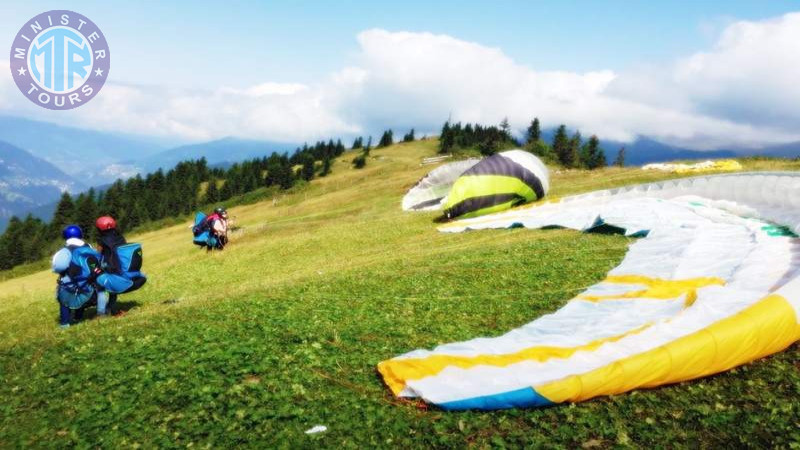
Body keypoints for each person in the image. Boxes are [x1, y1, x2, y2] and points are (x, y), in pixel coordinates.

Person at [52, 225, 109, 328]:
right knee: (91, 287)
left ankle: (65, 324)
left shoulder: (65, 251)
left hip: (73, 290)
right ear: (80, 234)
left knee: (63, 290)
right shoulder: (89, 247)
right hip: (91, 290)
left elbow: (59, 268)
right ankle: (90, 314)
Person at [95, 215, 127, 315]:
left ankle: (101, 313)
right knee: (112, 290)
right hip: (121, 267)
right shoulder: (120, 237)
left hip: (110, 267)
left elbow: (98, 255)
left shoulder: (102, 240)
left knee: (100, 285)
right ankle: (110, 308)